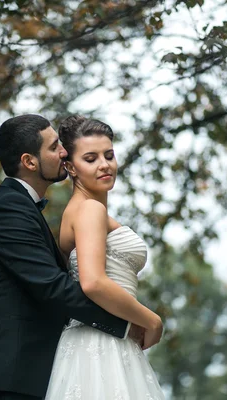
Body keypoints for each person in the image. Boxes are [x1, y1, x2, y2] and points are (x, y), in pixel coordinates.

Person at [0, 114, 145, 400]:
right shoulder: (7, 209)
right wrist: (130, 323)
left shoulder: (25, 209)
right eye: (54, 146)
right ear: (30, 162)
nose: (63, 152)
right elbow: (53, 286)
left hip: (32, 373)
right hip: (8, 377)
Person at [45, 116, 166, 399]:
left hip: (100, 338)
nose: (104, 164)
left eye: (109, 155)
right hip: (103, 342)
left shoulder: (78, 211)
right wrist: (152, 321)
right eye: (91, 158)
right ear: (71, 167)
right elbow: (93, 282)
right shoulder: (89, 210)